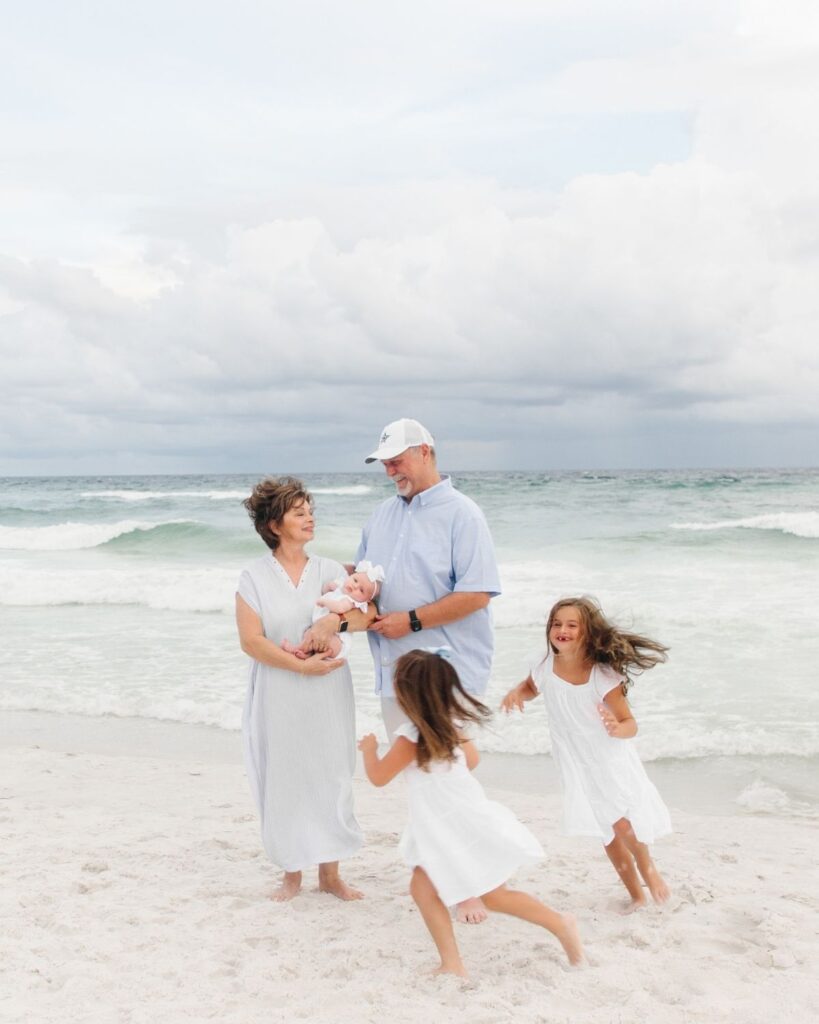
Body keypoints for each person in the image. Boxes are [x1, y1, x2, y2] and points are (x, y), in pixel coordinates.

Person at [358, 649, 583, 978]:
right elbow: (473, 761)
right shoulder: (450, 725)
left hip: (447, 826)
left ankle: (560, 923)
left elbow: (379, 778)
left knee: (494, 895)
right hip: (461, 817)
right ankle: (452, 963)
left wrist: (369, 751)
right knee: (424, 888)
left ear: (407, 693)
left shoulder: (410, 736)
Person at [235, 476, 374, 903]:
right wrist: (299, 667)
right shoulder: (253, 577)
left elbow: (366, 616)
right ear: (274, 524)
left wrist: (334, 623)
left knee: (332, 774)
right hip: (279, 690)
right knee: (286, 775)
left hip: (328, 690)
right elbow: (251, 641)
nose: (310, 518)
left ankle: (330, 875)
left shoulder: (331, 571)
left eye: (310, 511)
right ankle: (291, 874)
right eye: (299, 513)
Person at [501, 596, 671, 913]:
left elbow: (630, 723)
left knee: (622, 824)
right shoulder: (543, 665)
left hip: (608, 758)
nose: (562, 630)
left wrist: (617, 728)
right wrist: (517, 693)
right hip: (575, 761)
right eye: (556, 624)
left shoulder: (601, 677)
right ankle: (636, 894)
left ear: (588, 632)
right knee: (606, 833)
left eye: (571, 625)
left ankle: (648, 868)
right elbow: (532, 687)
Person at [281, 561, 385, 660]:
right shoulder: (341, 589)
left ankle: (298, 648)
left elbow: (339, 608)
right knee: (309, 633)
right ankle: (307, 655)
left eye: (361, 590)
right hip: (326, 630)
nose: (355, 586)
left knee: (317, 636)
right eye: (355, 580)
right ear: (350, 576)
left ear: (366, 600)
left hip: (338, 641)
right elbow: (325, 590)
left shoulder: (350, 601)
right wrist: (329, 586)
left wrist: (325, 602)